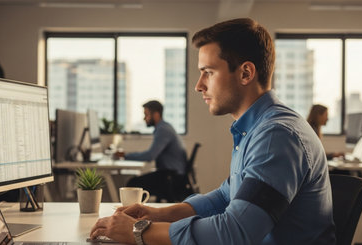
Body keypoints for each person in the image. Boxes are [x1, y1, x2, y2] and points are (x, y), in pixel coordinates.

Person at [90, 18, 335, 245]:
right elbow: (224, 197)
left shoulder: (277, 136)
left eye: (208, 72)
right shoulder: (257, 129)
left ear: (245, 73)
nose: (199, 86)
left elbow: (235, 231)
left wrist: (140, 231)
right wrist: (157, 214)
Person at [124, 100, 188, 201]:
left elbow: (150, 155)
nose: (144, 118)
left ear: (156, 114)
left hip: (171, 177)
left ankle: (135, 213)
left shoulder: (163, 130)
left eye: (146, 114)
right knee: (136, 181)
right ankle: (138, 211)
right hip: (172, 175)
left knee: (134, 184)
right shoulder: (164, 127)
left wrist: (125, 156)